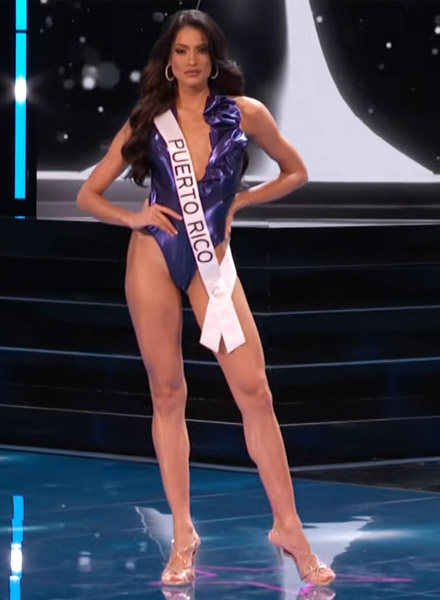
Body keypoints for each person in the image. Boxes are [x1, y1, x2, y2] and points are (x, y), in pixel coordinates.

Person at [76, 9, 335, 589]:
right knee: (168, 393)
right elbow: (88, 194)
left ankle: (288, 528)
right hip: (153, 256)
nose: (191, 61)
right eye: (181, 51)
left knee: (255, 393)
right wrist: (134, 217)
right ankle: (184, 534)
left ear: (213, 57)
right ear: (168, 61)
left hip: (211, 262)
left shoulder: (245, 113)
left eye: (200, 50)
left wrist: (240, 203)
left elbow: (295, 171)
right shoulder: (150, 118)